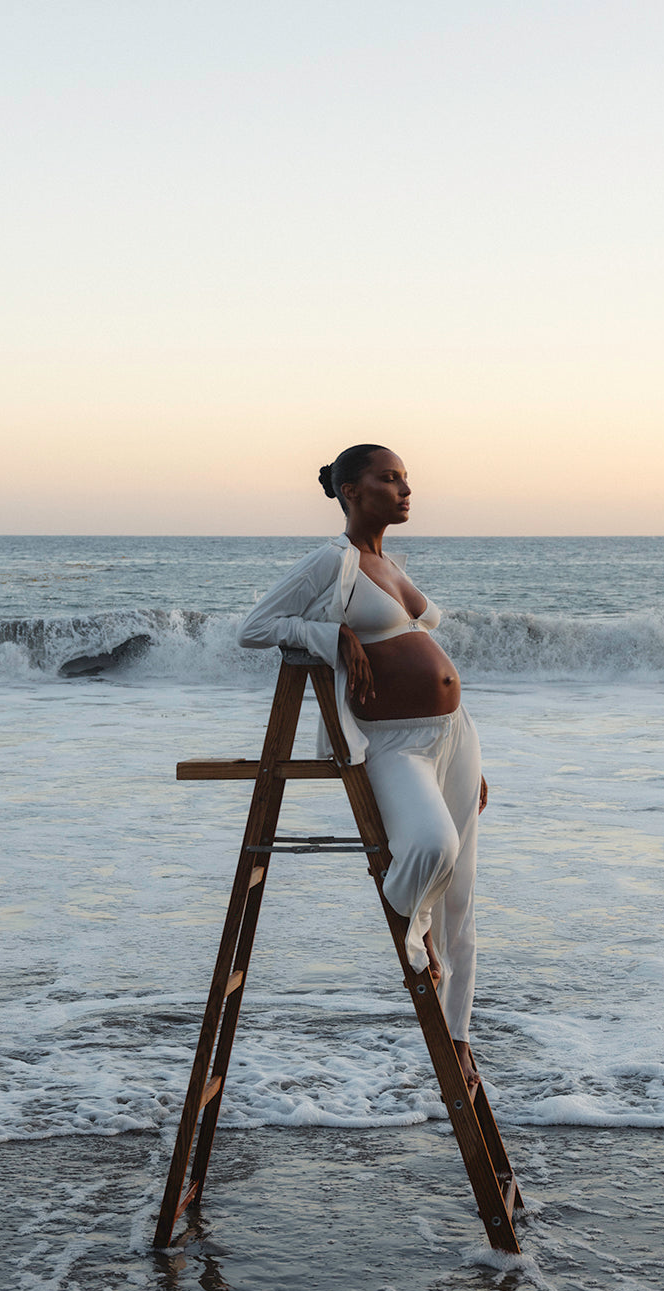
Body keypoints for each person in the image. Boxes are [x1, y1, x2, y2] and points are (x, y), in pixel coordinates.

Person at [237, 444, 487, 1089]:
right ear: (350, 490)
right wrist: (330, 637)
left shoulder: (389, 561)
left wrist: (469, 754)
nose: (405, 490)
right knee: (434, 849)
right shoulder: (332, 560)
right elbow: (256, 627)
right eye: (389, 478)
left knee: (463, 899)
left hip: (453, 737)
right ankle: (415, 929)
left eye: (407, 479)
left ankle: (459, 1038)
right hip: (392, 741)